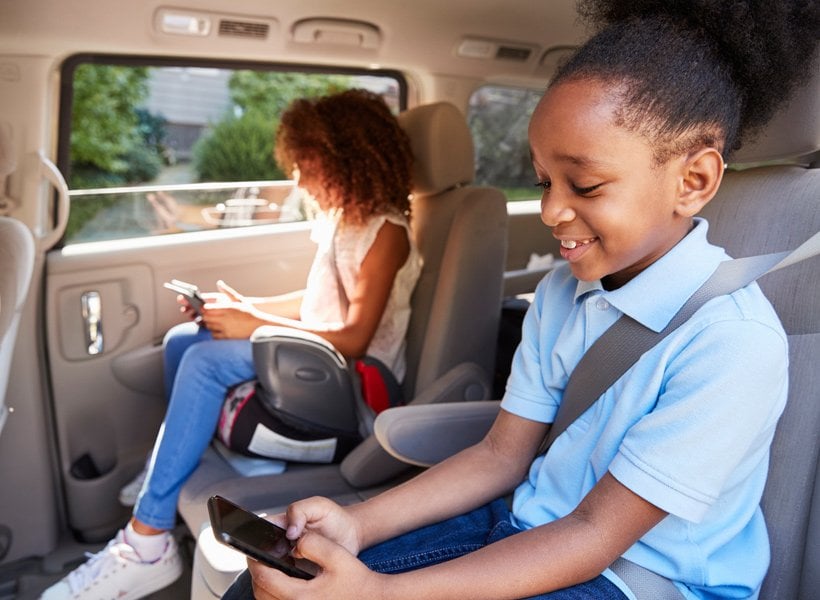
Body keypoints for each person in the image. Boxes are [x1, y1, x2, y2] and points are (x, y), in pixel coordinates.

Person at [223, 1, 819, 599]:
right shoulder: (564, 291)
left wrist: (380, 593)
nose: (551, 211)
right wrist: (358, 522)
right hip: (522, 526)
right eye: (544, 182)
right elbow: (500, 457)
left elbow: (593, 533)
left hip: (635, 578)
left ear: (692, 182)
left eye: (584, 185)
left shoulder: (733, 342)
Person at [40, 88, 420, 600]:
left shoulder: (387, 232)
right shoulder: (341, 220)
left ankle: (148, 541)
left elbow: (354, 336)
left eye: (307, 165)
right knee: (185, 339)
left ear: (348, 159)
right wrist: (245, 307)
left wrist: (253, 322)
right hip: (317, 359)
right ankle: (166, 470)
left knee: (204, 363)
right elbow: (317, 299)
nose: (298, 179)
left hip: (351, 383)